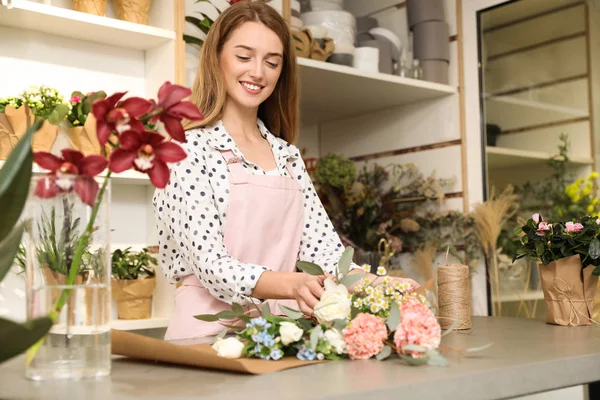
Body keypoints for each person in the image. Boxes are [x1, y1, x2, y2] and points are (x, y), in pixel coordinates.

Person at [153, 1, 419, 342]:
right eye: (244, 56)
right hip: (203, 338)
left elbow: (325, 254)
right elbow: (212, 266)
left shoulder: (287, 157)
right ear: (216, 58)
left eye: (272, 62)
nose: (258, 72)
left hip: (276, 337)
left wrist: (380, 283)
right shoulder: (186, 151)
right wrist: (292, 284)